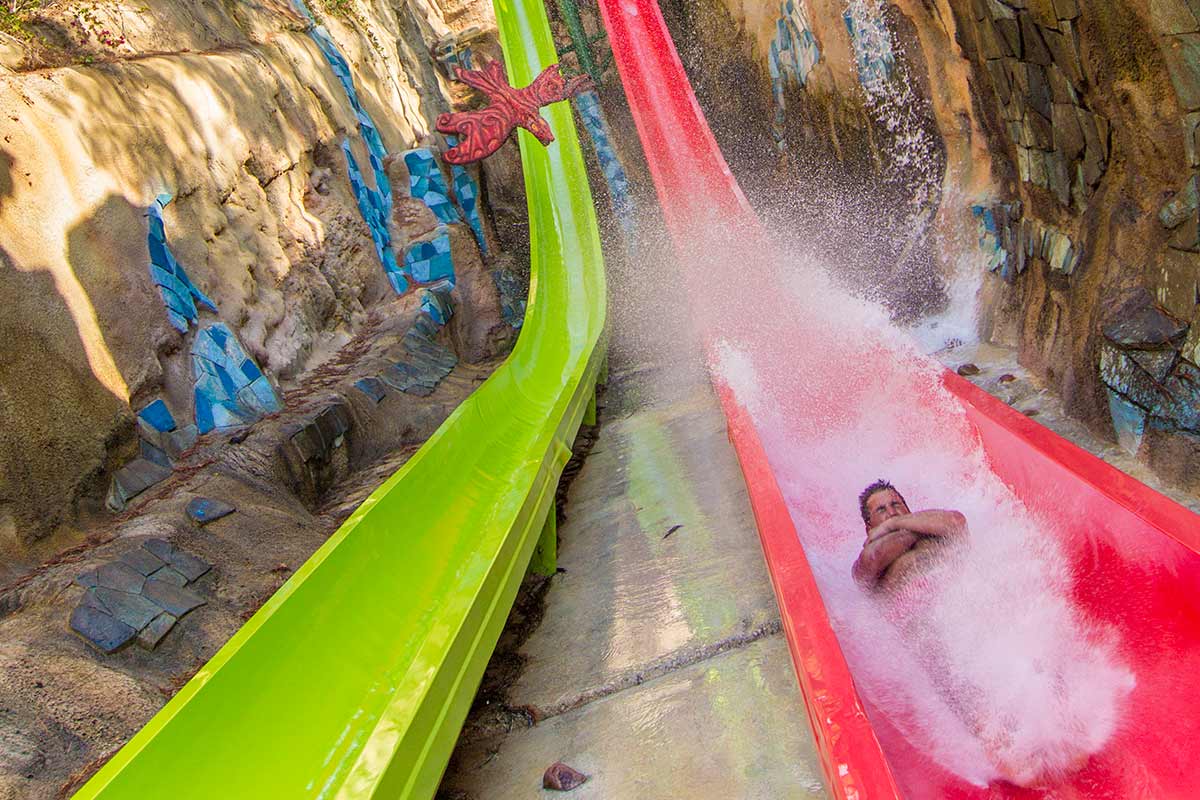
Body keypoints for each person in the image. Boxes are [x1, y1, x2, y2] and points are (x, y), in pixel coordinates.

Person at [853, 479, 966, 591]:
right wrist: (920, 531)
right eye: (881, 510)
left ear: (908, 510)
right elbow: (874, 557)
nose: (892, 513)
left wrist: (892, 524)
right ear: (869, 528)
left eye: (896, 504)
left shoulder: (929, 527)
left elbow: (958, 521)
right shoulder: (863, 563)